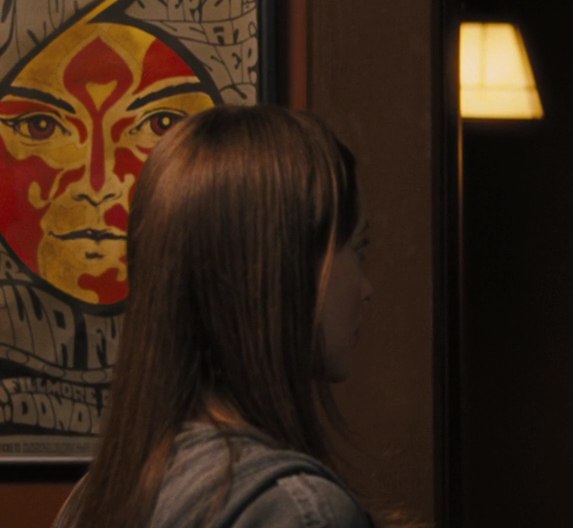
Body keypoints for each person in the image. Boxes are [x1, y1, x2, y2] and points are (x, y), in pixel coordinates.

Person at [53, 105, 374, 527]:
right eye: (358, 248)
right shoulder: (296, 510)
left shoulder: (97, 495)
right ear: (282, 270)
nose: (367, 288)